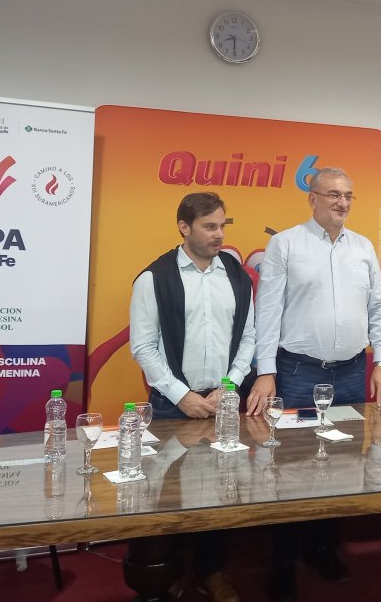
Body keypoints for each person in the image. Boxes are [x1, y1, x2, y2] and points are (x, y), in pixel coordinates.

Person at [247, 167, 381, 602]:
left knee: (342, 463)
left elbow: (379, 308)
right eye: (332, 194)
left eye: (348, 195)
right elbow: (267, 312)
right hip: (296, 372)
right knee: (289, 467)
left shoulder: (363, 248)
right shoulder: (286, 244)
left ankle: (323, 548)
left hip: (349, 371)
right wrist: (265, 370)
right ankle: (284, 561)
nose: (342, 203)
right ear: (311, 198)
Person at [130, 191, 255, 602]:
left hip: (223, 401)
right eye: (210, 226)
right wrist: (183, 396)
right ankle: (167, 576)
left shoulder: (236, 276)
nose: (220, 234)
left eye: (223, 225)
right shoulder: (154, 278)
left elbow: (248, 337)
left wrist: (231, 386)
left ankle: (211, 572)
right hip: (171, 405)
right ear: (184, 227)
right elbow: (144, 347)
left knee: (217, 492)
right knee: (168, 494)